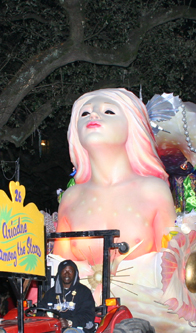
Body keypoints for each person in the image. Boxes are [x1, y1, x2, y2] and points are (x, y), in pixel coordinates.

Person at [54, 88, 177, 266]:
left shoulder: (154, 191)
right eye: (85, 113)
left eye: (108, 111)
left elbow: (171, 269)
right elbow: (60, 270)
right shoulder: (71, 198)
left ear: (131, 125)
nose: (93, 115)